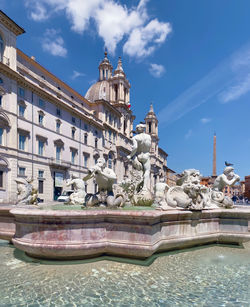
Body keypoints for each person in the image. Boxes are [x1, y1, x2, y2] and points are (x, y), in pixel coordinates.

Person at [127, 123, 151, 191]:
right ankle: (145, 187)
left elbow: (135, 147)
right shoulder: (148, 137)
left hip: (139, 156)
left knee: (138, 172)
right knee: (147, 171)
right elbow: (149, 146)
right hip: (146, 155)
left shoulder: (135, 137)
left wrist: (130, 155)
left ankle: (136, 187)